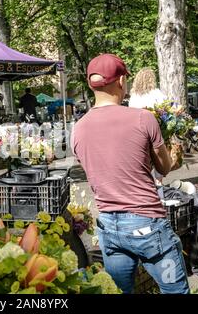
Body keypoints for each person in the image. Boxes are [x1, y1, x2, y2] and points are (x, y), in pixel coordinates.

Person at [71, 53, 190, 294]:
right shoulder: (143, 118)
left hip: (109, 228)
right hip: (147, 226)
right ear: (121, 81)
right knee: (175, 291)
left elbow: (101, 171)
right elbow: (164, 168)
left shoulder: (78, 129)